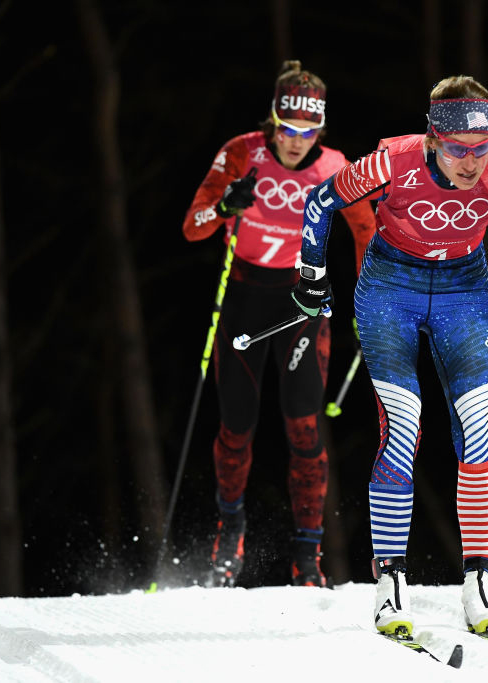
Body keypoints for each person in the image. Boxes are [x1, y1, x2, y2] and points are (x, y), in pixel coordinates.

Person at [290, 75, 488, 633]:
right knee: (405, 422)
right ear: (433, 139)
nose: (471, 163)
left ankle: (480, 580)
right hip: (390, 289)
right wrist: (311, 272)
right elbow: (322, 201)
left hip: (464, 291)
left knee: (476, 426)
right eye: (458, 149)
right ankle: (390, 578)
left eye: (481, 147)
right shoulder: (393, 161)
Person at [182, 60, 375, 588]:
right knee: (237, 427)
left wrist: (369, 297)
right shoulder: (242, 152)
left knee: (304, 425)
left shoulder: (337, 167)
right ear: (273, 121)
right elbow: (193, 228)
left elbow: (367, 233)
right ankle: (230, 533)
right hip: (243, 297)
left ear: (321, 129)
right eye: (287, 130)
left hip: (300, 306)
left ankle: (307, 559)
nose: (295, 142)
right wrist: (225, 205)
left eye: (307, 131)